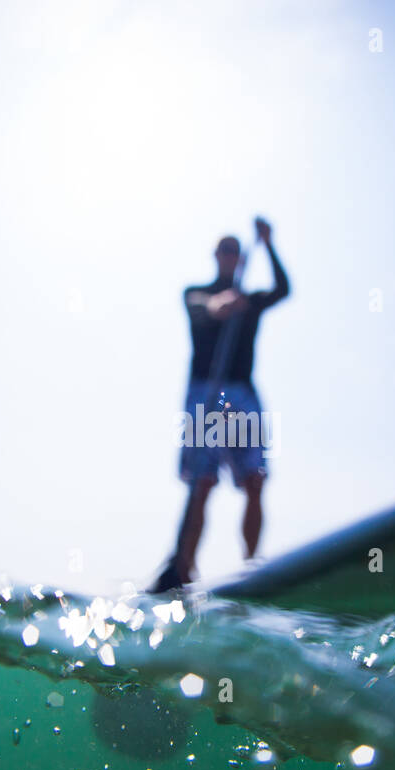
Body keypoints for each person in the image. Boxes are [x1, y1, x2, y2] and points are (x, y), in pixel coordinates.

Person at [152, 217, 290, 592]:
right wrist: (220, 305)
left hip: (242, 392)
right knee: (203, 482)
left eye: (235, 251)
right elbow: (203, 307)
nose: (229, 256)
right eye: (224, 250)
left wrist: (269, 244)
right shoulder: (195, 292)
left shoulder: (253, 301)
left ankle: (252, 570)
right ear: (216, 256)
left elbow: (283, 289)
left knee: (255, 478)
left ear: (240, 257)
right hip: (206, 394)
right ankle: (183, 573)